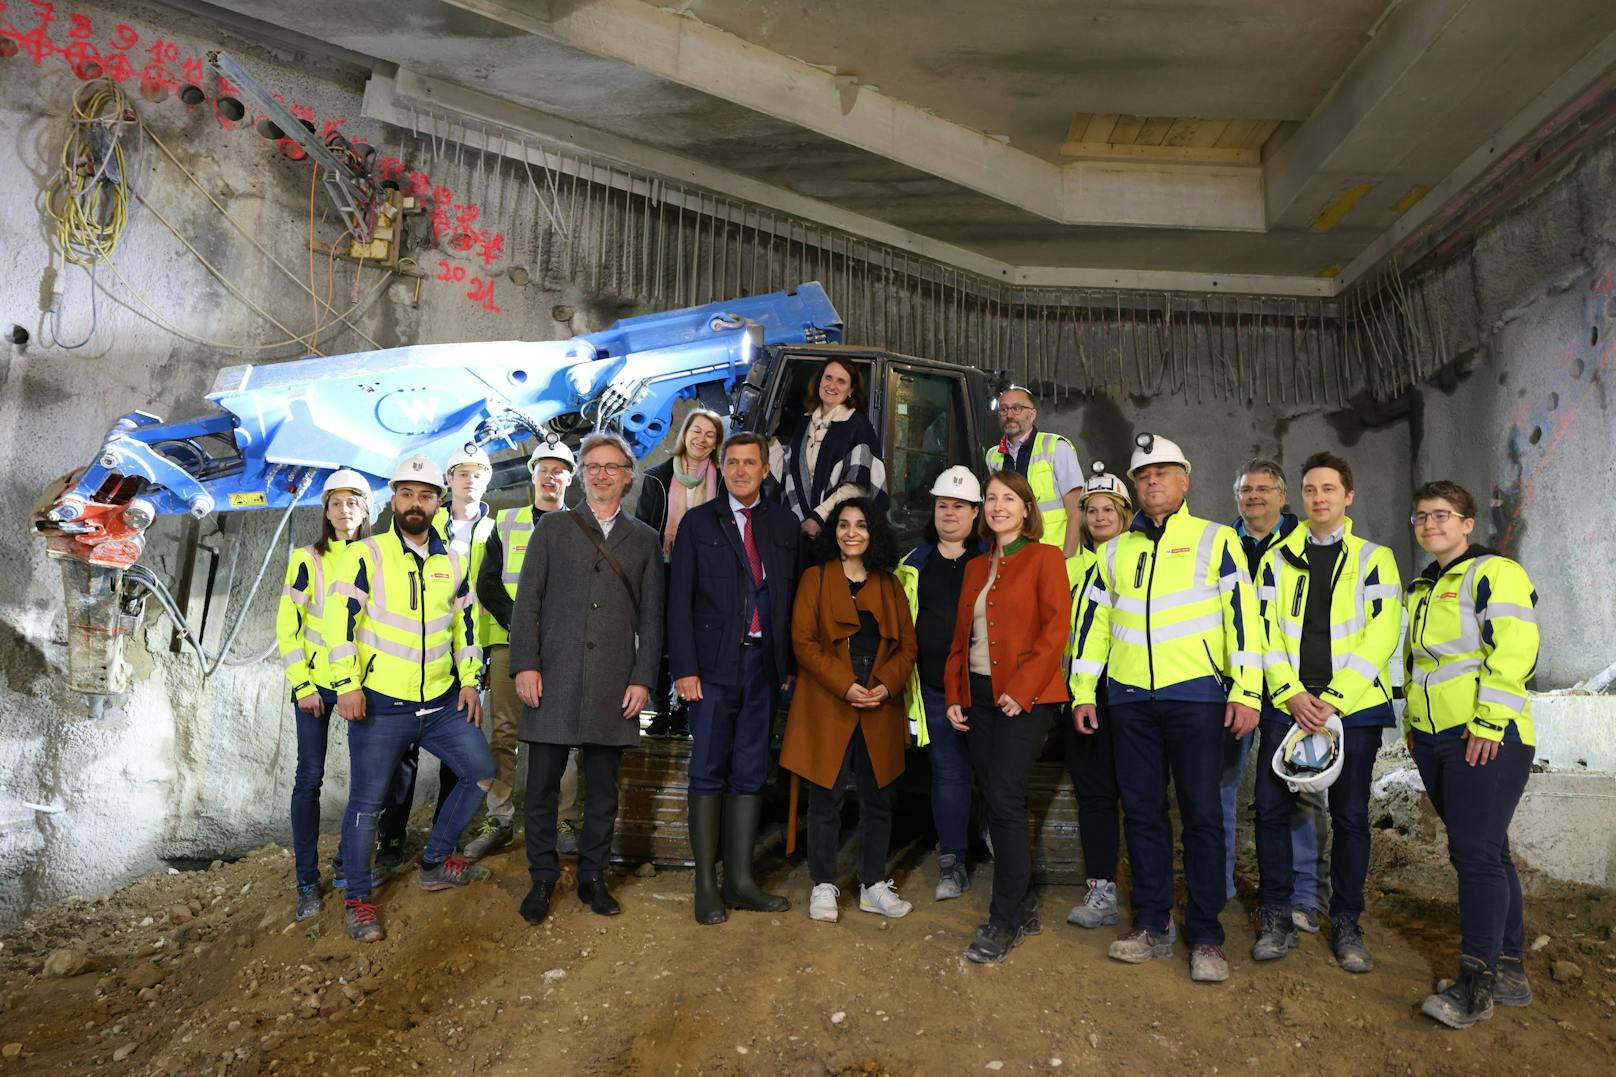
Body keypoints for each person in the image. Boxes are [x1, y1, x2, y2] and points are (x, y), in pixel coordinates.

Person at [1070, 432, 1263, 983]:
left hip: (1198, 698)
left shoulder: (1216, 540)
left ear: (1185, 480)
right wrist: (1085, 692)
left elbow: (1244, 623)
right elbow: (1093, 628)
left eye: (1163, 473)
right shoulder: (1114, 552)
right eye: (1144, 475)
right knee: (1145, 815)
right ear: (1136, 487)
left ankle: (1206, 936)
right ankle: (1152, 925)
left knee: (1203, 816)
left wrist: (1246, 690)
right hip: (1129, 701)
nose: (1152, 482)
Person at [326, 454, 497, 943]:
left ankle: (435, 861)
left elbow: (466, 629)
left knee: (480, 772)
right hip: (381, 705)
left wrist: (469, 680)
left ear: (437, 502)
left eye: (424, 495)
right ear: (394, 501)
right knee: (367, 805)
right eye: (406, 494)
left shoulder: (453, 562)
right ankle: (358, 898)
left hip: (443, 703)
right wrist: (347, 685)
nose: (415, 504)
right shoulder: (368, 555)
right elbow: (341, 627)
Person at [1252, 452, 1401, 973]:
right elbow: (1263, 632)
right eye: (1311, 489)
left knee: (1351, 816)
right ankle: (1275, 914)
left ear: (1348, 497)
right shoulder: (1275, 559)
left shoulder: (1374, 559)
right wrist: (1290, 693)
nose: (1320, 498)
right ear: (1301, 496)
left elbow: (1383, 633)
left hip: (1353, 708)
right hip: (1285, 704)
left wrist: (1335, 698)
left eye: (1330, 490)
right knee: (1270, 811)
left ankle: (1346, 922)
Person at [509, 433, 665, 924]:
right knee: (541, 788)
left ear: (627, 475)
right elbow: (527, 602)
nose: (601, 474)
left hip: (612, 683)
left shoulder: (644, 539)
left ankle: (593, 876)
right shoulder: (553, 529)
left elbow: (653, 620)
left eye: (611, 467)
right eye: (592, 466)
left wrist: (643, 679)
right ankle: (542, 876)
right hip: (552, 678)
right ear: (582, 474)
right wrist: (526, 665)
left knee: (602, 788)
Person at [1404, 480, 1539, 1029]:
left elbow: (1516, 650)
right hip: (1435, 738)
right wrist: (1414, 728)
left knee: (1476, 856)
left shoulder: (1495, 573)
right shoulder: (1424, 586)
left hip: (1483, 735)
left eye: (1442, 514)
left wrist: (1488, 721)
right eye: (1420, 517)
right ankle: (1508, 968)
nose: (1430, 524)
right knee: (1488, 852)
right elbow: (1421, 666)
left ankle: (1475, 986)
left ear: (1466, 523)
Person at [666, 431, 799, 924]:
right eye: (733, 463)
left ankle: (740, 881)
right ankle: (706, 886)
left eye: (751, 463)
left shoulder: (782, 524)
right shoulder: (699, 523)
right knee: (708, 771)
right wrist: (685, 669)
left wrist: (787, 665)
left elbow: (792, 599)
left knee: (749, 770)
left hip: (764, 668)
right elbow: (677, 601)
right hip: (713, 668)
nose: (742, 471)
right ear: (721, 469)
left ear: (766, 470)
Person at [945, 470, 1072, 964]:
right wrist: (957, 692)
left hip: (1027, 698)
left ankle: (1005, 918)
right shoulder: (976, 567)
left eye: (1009, 499)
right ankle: (1022, 899)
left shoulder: (1045, 558)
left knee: (1005, 796)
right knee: (995, 797)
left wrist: (1021, 691)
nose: (999, 506)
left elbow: (1054, 632)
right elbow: (963, 639)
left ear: (1026, 509)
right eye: (991, 498)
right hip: (979, 696)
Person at [780, 498, 917, 925]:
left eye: (860, 525)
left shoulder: (890, 585)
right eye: (843, 525)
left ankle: (873, 885)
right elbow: (803, 643)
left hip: (878, 702)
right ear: (833, 532)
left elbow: (908, 646)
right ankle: (823, 884)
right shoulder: (815, 579)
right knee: (827, 798)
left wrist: (883, 686)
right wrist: (846, 687)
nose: (851, 532)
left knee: (879, 799)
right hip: (830, 702)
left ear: (873, 533)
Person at [1224, 458, 1328, 929]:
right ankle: (1220, 885)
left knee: (1301, 790)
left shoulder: (1308, 544)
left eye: (1265, 489)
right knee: (1223, 787)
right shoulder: (1222, 545)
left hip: (1293, 689)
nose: (1254, 497)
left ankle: (1304, 896)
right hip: (1235, 688)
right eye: (1247, 490)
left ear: (1283, 497)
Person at [466, 440, 578, 861]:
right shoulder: (507, 522)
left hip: (563, 649)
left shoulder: (582, 525)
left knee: (562, 735)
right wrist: (523, 622)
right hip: (512, 645)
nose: (551, 476)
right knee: (504, 733)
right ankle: (499, 818)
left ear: (570, 478)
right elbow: (487, 582)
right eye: (543, 469)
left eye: (559, 470)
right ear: (532, 475)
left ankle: (561, 818)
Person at [278, 469, 373, 921]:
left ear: (366, 509)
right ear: (326, 511)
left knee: (367, 782)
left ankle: (346, 867)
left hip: (360, 686)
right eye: (336, 502)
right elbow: (287, 627)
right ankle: (306, 882)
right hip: (316, 688)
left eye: (352, 502)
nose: (344, 510)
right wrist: (302, 685)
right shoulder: (307, 558)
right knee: (309, 780)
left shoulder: (378, 557)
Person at [894, 466, 987, 902]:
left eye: (959, 506)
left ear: (975, 512)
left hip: (985, 687)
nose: (949, 513)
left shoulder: (993, 560)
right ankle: (952, 861)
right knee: (948, 773)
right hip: (934, 688)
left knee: (993, 773)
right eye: (942, 505)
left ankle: (999, 849)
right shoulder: (914, 563)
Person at [1063, 463, 1130, 930]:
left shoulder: (1139, 562)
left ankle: (1148, 887)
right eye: (1092, 510)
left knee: (1143, 796)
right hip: (1084, 696)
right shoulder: (1068, 568)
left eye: (1109, 509)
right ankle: (1101, 885)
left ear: (1125, 515)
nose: (1100, 516)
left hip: (1133, 693)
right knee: (1095, 794)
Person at [637, 408, 726, 737]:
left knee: (696, 640)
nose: (701, 439)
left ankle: (687, 708)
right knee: (658, 642)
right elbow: (644, 528)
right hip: (665, 570)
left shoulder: (724, 479)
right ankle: (662, 709)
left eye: (710, 434)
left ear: (717, 443)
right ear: (685, 433)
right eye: (697, 431)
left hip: (707, 574)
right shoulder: (656, 477)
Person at [780, 358, 888, 540]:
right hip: (799, 529)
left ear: (851, 390)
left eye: (841, 381)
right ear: (819, 381)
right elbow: (791, 472)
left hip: (837, 531)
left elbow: (857, 486)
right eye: (828, 378)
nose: (832, 385)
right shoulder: (805, 424)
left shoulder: (858, 427)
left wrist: (819, 518)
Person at [983, 385, 1083, 558]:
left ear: (1033, 414)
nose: (1010, 415)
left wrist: (1067, 558)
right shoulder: (993, 456)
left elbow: (1076, 510)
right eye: (1004, 409)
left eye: (1017, 408)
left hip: (1053, 555)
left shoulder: (1056, 447)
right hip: (1011, 556)